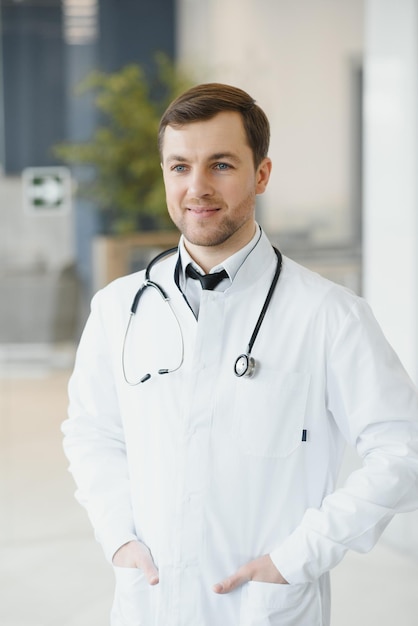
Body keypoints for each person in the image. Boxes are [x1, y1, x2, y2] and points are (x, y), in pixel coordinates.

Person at [62, 83, 418, 626]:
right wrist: (118, 538)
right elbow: (92, 433)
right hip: (148, 603)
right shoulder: (118, 309)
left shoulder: (328, 315)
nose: (197, 187)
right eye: (179, 167)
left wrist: (297, 558)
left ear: (262, 174)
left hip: (267, 608)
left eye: (221, 165)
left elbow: (404, 450)